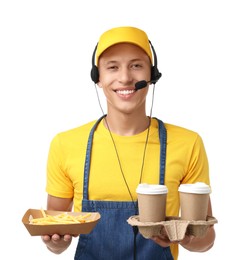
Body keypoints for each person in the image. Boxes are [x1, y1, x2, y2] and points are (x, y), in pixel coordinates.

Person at [41, 26, 216, 260]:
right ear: (98, 78)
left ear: (151, 75)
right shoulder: (66, 144)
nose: (125, 77)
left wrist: (182, 236)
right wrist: (55, 244)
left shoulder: (188, 143)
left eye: (136, 65)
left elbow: (206, 241)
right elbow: (55, 237)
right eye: (112, 67)